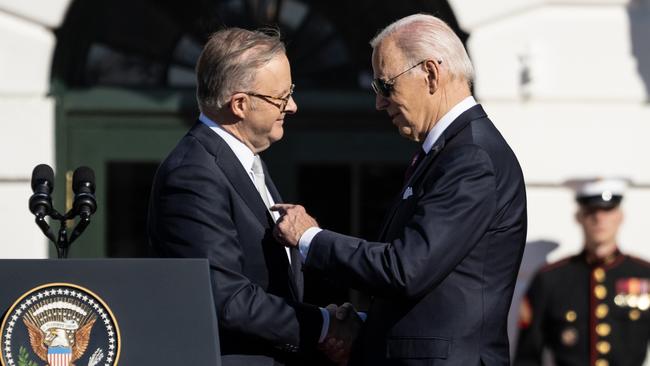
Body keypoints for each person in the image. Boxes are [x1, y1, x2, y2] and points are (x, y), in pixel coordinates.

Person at [272, 13, 528, 365]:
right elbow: (432, 290)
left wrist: (309, 238)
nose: (379, 103)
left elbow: (406, 269)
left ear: (431, 74)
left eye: (385, 86)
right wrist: (366, 325)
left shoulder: (471, 157)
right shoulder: (447, 152)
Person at [147, 27, 360, 366]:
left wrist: (326, 314)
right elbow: (226, 299)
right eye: (281, 96)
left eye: (291, 92)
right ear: (240, 104)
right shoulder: (194, 174)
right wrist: (324, 325)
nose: (292, 106)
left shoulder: (243, 161)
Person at [514, 178, 650, 366]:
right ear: (579, 217)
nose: (599, 219)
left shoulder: (644, 275)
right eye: (591, 211)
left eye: (607, 210)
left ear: (620, 216)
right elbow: (527, 356)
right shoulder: (551, 279)